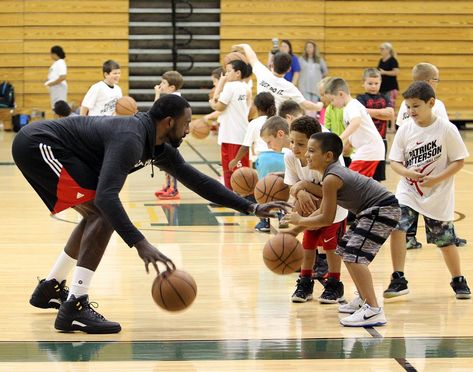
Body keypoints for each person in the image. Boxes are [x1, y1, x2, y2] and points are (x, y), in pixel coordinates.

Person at [12, 94, 289, 334]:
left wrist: (250, 206)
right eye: (186, 123)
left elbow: (198, 181)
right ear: (168, 122)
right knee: (101, 212)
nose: (189, 129)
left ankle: (51, 287)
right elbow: (109, 197)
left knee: (95, 213)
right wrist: (140, 243)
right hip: (40, 145)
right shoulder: (130, 139)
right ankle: (75, 304)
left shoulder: (157, 145)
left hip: (47, 145)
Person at [283, 131, 401, 327]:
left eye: (311, 151)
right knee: (345, 250)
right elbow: (322, 211)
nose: (307, 155)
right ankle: (364, 300)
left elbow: (326, 218)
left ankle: (373, 309)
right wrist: (296, 229)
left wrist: (299, 219)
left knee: (354, 256)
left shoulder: (331, 178)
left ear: (328, 156)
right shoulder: (329, 175)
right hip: (373, 210)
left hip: (383, 210)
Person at [383, 81, 471, 300]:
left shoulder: (446, 129)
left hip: (437, 194)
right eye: (408, 107)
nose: (411, 111)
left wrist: (436, 180)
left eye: (415, 106)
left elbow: (459, 161)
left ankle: (458, 278)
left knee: (445, 240)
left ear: (431, 103)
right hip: (409, 191)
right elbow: (394, 161)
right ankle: (398, 278)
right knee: (397, 227)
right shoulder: (405, 129)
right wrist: (406, 173)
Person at [276, 117, 348, 304]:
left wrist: (305, 185)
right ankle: (305, 282)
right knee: (308, 246)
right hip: (311, 211)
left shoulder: (328, 159)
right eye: (292, 142)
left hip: (334, 209)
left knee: (331, 248)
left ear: (314, 143)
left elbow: (330, 192)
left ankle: (334, 284)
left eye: (300, 143)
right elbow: (293, 187)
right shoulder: (290, 157)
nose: (294, 147)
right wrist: (301, 192)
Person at [396, 63, 466, 249]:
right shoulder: (436, 104)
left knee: (417, 205)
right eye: (436, 79)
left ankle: (410, 237)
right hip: (426, 163)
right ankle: (445, 235)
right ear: (429, 81)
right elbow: (442, 130)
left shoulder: (405, 104)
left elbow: (398, 126)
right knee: (414, 201)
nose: (413, 111)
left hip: (414, 161)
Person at [228, 92, 278, 233]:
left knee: (263, 192)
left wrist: (235, 160)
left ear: (256, 106)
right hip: (281, 157)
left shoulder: (254, 123)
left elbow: (245, 146)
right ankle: (282, 215)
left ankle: (265, 221)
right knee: (280, 188)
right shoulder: (278, 120)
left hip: (263, 159)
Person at [233, 43, 323, 112]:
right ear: (288, 69)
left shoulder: (263, 73)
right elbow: (305, 105)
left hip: (261, 118)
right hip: (277, 123)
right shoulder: (289, 87)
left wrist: (245, 46)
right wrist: (319, 106)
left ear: (272, 64)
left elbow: (252, 57)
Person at [324, 77, 385, 178]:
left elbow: (356, 123)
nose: (332, 103)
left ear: (341, 94)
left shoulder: (352, 106)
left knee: (350, 181)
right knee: (360, 184)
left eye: (332, 100)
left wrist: (339, 139)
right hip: (368, 149)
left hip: (369, 150)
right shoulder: (349, 107)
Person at [209, 59, 252, 189]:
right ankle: (242, 196)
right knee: (239, 170)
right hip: (239, 133)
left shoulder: (230, 86)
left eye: (228, 71)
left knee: (231, 170)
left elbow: (218, 105)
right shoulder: (246, 87)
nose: (226, 75)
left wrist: (213, 100)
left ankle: (234, 196)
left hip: (232, 135)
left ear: (238, 73)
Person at [356, 68, 395, 182]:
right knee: (363, 175)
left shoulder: (385, 98)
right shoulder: (360, 98)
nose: (373, 86)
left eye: (376, 83)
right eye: (370, 83)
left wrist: (368, 112)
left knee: (378, 177)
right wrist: (381, 113)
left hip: (381, 141)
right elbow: (360, 113)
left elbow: (390, 114)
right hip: (365, 142)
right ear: (363, 83)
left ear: (380, 83)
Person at [153, 71, 185, 200]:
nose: (160, 85)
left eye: (163, 83)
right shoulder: (173, 98)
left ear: (172, 87)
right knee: (166, 163)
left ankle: (174, 189)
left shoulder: (173, 99)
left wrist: (157, 94)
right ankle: (168, 186)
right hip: (168, 135)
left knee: (170, 163)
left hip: (171, 136)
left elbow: (155, 111)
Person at [377, 42, 400, 111]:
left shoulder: (393, 60)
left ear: (388, 50)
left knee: (390, 106)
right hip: (382, 87)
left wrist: (384, 72)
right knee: (383, 105)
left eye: (382, 49)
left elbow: (396, 72)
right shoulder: (381, 60)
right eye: (380, 49)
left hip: (390, 87)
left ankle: (392, 122)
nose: (380, 51)